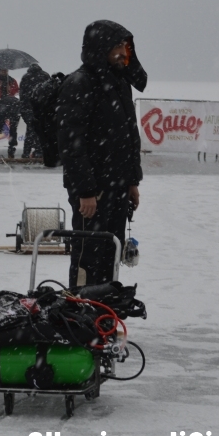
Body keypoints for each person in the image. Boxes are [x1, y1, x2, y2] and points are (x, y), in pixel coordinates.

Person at [55, 20, 146, 288]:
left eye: (125, 47)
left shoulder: (120, 83)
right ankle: (80, 313)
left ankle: (104, 316)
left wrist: (132, 181)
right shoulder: (79, 83)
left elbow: (130, 135)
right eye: (117, 46)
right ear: (100, 47)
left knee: (111, 254)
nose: (122, 52)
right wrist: (85, 190)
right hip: (92, 191)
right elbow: (71, 143)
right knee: (88, 257)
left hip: (117, 186)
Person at [19, 63, 46, 158]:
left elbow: (22, 94)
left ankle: (26, 152)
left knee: (30, 130)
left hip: (28, 108)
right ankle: (39, 150)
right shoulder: (45, 76)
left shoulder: (25, 77)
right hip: (41, 107)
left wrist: (23, 107)